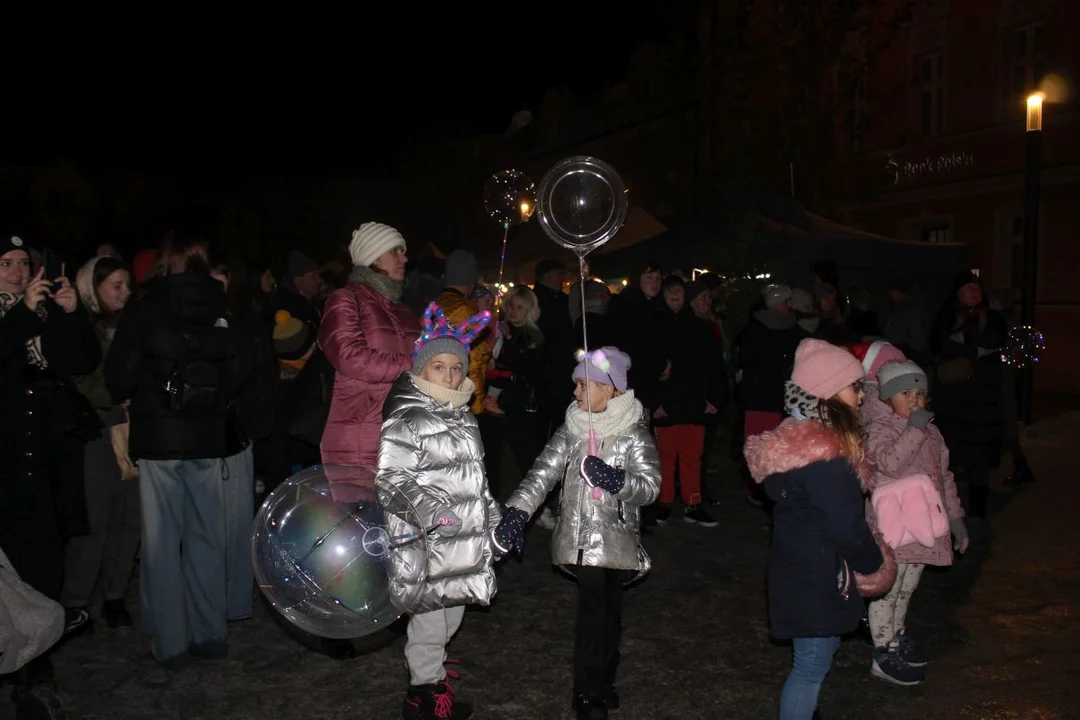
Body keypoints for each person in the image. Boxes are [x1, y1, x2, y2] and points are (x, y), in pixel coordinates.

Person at [494, 346, 660, 720]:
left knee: (609, 617)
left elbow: (649, 487)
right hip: (578, 539)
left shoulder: (634, 433)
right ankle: (586, 694)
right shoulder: (571, 429)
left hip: (616, 542)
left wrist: (615, 479)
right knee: (590, 617)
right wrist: (517, 512)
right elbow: (541, 474)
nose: (576, 393)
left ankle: (605, 680)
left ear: (610, 389)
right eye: (576, 385)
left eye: (584, 385)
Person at [744, 339, 895, 720]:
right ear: (828, 393)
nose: (861, 396)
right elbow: (845, 523)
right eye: (854, 387)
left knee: (813, 658)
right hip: (819, 577)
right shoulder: (826, 459)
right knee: (811, 667)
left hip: (801, 571)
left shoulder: (797, 449)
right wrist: (874, 563)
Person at [377, 302, 500, 720]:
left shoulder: (465, 418)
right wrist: (431, 514)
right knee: (429, 627)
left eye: (455, 368)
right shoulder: (407, 418)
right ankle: (424, 697)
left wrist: (494, 523)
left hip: (462, 547)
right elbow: (392, 480)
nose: (448, 376)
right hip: (426, 547)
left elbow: (478, 484)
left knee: (450, 620)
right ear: (421, 370)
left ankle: (432, 680)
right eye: (438, 367)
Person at [863, 360, 967, 685]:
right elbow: (890, 464)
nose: (914, 399)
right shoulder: (880, 429)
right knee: (888, 590)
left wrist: (955, 518)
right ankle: (882, 653)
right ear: (888, 397)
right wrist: (915, 429)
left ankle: (895, 638)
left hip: (924, 526)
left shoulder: (930, 430)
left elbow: (943, 476)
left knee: (906, 590)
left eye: (920, 392)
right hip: (894, 527)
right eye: (906, 392)